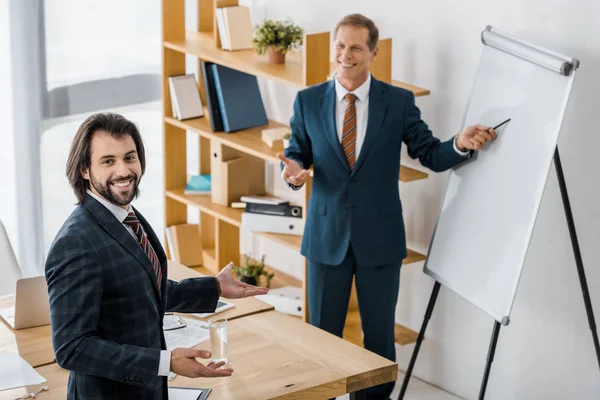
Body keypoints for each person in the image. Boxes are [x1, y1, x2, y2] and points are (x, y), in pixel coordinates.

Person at [277, 14, 496, 400]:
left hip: (380, 240)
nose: (346, 55)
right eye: (340, 45)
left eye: (356, 47)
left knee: (378, 338)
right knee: (322, 336)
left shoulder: (397, 102)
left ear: (373, 52)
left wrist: (459, 144)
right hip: (326, 238)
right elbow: (298, 153)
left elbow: (428, 152)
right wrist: (292, 172)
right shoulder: (307, 100)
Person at [45, 112, 268, 399]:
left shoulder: (126, 216)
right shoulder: (75, 243)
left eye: (130, 157)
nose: (124, 171)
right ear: (85, 170)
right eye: (108, 161)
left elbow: (140, 292)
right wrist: (164, 362)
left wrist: (213, 288)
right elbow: (71, 348)